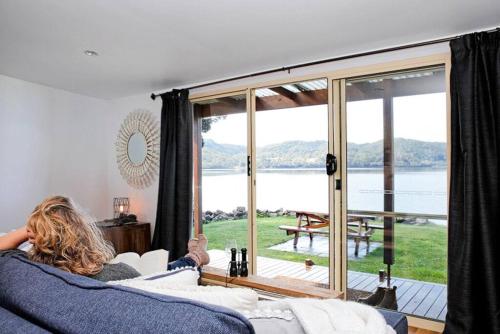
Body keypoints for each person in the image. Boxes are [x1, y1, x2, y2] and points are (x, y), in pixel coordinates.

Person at [0, 196, 209, 282]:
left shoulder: (26, 267)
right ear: (82, 233)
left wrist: (28, 228)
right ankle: (196, 256)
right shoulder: (117, 274)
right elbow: (158, 284)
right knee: (169, 270)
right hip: (142, 277)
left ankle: (194, 254)